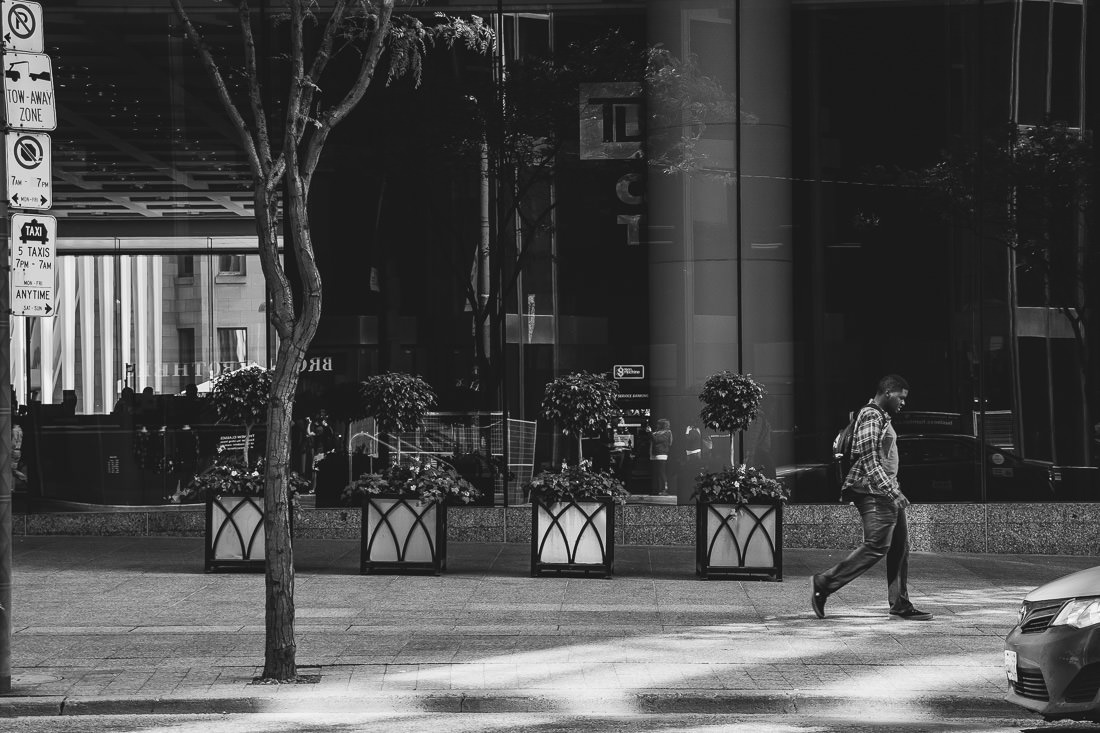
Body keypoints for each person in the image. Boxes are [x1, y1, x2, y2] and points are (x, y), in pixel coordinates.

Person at [810, 374, 933, 621]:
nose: (903, 402)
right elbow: (869, 461)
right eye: (900, 397)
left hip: (884, 489)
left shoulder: (880, 416)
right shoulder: (871, 415)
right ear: (887, 393)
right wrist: (893, 492)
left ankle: (900, 603)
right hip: (874, 491)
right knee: (877, 545)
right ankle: (824, 582)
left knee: (900, 546)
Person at [678, 423, 704, 504]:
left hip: (692, 453)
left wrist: (687, 432)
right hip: (697, 452)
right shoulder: (698, 431)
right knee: (697, 469)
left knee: (691, 469)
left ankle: (692, 485)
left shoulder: (692, 432)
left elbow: (688, 439)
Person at [650, 418, 673, 495]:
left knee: (661, 472)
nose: (657, 425)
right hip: (654, 454)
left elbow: (656, 440)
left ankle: (664, 489)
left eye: (658, 424)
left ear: (662, 425)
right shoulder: (657, 432)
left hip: (661, 454)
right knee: (657, 473)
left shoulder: (667, 433)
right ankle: (658, 489)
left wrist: (650, 432)